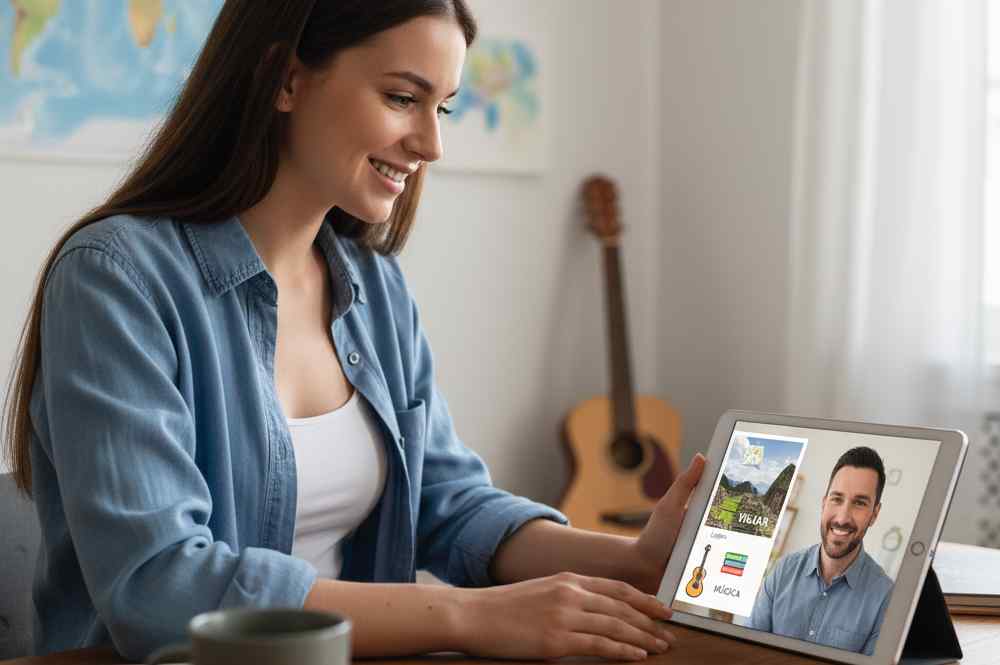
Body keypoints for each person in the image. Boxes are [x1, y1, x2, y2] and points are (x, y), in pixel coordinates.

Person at [1, 1, 707, 661]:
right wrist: (476, 615)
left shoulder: (373, 287)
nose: (431, 143)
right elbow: (160, 583)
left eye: (445, 107)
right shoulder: (117, 278)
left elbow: (450, 503)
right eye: (403, 98)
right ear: (285, 79)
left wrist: (634, 559)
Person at [747, 447, 893, 655]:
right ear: (824, 502)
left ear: (874, 514)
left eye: (859, 503)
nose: (842, 518)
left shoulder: (885, 597)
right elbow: (748, 652)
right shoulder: (783, 571)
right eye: (837, 498)